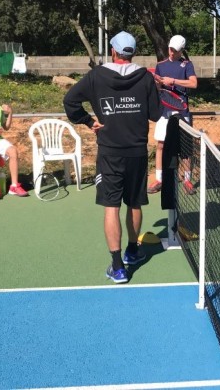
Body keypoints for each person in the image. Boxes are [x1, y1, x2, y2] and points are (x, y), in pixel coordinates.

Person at [63, 31, 161, 284]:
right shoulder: (145, 78)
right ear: (133, 53)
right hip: (137, 151)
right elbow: (154, 114)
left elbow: (70, 100)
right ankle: (131, 251)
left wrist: (87, 121)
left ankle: (118, 266)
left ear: (113, 51)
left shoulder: (96, 75)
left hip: (110, 152)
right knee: (135, 203)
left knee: (112, 206)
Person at [147, 34, 197, 194]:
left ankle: (187, 180)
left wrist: (173, 81)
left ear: (181, 50)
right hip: (164, 112)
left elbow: (193, 83)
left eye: (175, 50)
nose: (171, 52)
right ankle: (159, 179)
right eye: (170, 48)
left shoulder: (187, 64)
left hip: (182, 112)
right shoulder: (160, 65)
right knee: (160, 145)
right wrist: (158, 83)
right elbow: (158, 88)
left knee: (185, 149)